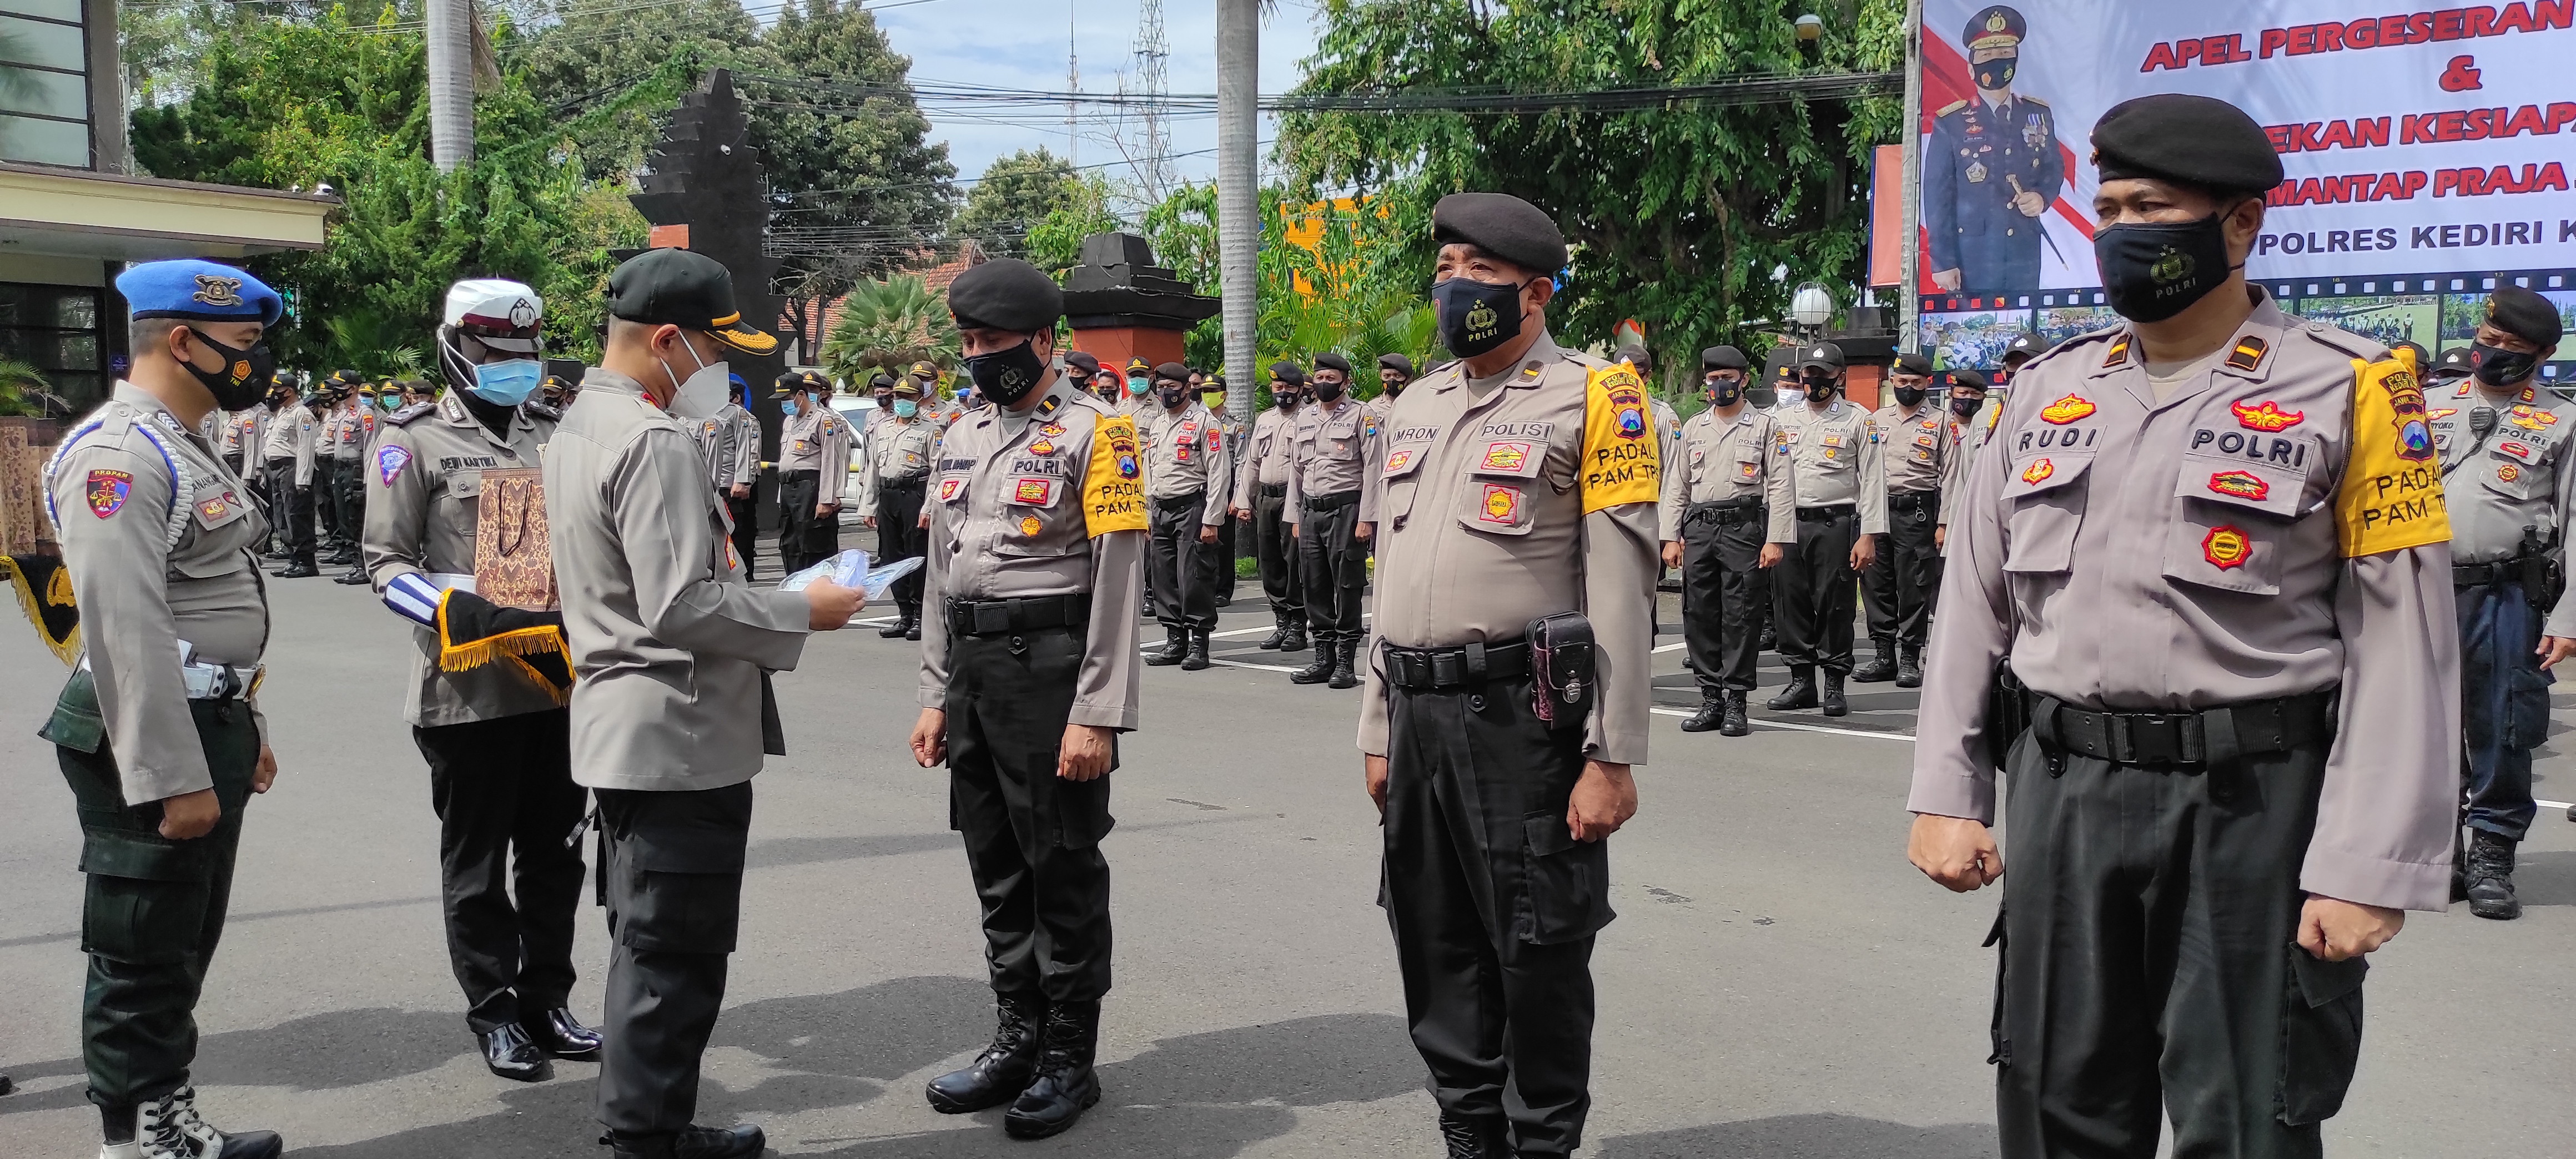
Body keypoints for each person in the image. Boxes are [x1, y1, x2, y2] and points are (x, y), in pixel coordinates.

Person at [1906, 93, 2459, 1159]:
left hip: (2251, 803)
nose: (2120, 229)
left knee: (2247, 1114)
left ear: (2240, 225)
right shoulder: (2040, 390)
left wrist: (2368, 864)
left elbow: (2404, 642)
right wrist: (1946, 791)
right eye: (2107, 205)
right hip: (2063, 791)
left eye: (2150, 205)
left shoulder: (2354, 388)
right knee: (2053, 1099)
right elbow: (1973, 607)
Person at [548, 248, 864, 1159]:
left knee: (649, 943)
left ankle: (657, 1122)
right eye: (714, 346)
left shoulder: (580, 425)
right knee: (671, 955)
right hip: (673, 735)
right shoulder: (647, 441)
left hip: (628, 726)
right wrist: (803, 607)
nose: (723, 367)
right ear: (666, 340)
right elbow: (680, 603)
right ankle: (646, 1138)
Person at [1359, 193, 1653, 1159]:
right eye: (1443, 269)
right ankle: (1469, 1136)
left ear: (1532, 291)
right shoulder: (1414, 403)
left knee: (1537, 954)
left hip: (1522, 720)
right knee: (1436, 946)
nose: (1452, 287)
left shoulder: (1597, 395)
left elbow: (1620, 585)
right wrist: (1376, 723)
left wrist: (1611, 752)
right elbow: (1389, 578)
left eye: (1474, 273)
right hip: (1418, 718)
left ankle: (1540, 1144)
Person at [46, 259, 289, 1159]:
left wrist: (246, 722)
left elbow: (206, 601)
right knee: (143, 945)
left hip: (202, 717)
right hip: (146, 733)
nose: (257, 364)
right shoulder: (120, 455)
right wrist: (170, 774)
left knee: (181, 939)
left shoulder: (179, 443)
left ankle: (166, 1112)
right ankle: (138, 1139)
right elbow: (123, 627)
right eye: (246, 346)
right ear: (184, 341)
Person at [906, 258, 1147, 1141]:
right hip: (974, 668)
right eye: (967, 342)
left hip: (1051, 667)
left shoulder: (1101, 431)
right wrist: (935, 693)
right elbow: (941, 574)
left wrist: (1099, 712)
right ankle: (1017, 1035)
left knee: (1062, 863)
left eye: (993, 342)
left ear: (1045, 340)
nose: (978, 357)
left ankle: (1067, 1058)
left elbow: (1120, 581)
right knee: (996, 863)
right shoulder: (959, 432)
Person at [361, 278, 600, 1082]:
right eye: (497, 354)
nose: (515, 368)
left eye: (526, 355)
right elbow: (384, 563)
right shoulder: (412, 441)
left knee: (557, 855)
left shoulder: (555, 432)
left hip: (557, 682)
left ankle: (547, 1000)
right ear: (457, 349)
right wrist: (454, 608)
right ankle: (495, 1009)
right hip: (468, 690)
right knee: (478, 863)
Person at [2431, 286, 2568, 920]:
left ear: (2541, 354)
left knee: (2503, 727)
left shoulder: (2562, 420)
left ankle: (2490, 856)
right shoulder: (2427, 407)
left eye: (2510, 349)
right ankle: (2441, 857)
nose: (2492, 355)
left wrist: (2567, 621)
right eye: (2486, 343)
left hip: (2507, 595)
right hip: (2420, 592)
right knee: (2420, 733)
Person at [1662, 346, 1793, 735]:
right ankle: (1710, 700)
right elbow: (1677, 486)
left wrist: (1777, 540)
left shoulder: (1766, 427)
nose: (1719, 385)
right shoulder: (1694, 428)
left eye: (1727, 378)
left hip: (1742, 527)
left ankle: (1736, 701)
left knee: (1740, 615)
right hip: (1701, 528)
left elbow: (1783, 486)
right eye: (1713, 379)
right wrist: (1670, 536)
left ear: (1744, 380)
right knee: (1699, 614)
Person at [1768, 341, 1885, 716]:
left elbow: (1873, 482)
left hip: (1835, 523)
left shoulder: (1858, 420)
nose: (1813, 381)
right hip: (1788, 524)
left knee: (1834, 605)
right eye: (1808, 374)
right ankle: (1802, 681)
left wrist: (1868, 535)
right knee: (1791, 604)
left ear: (1840, 377)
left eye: (1822, 375)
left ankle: (1834, 683)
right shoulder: (1782, 421)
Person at [1924, 4, 2062, 294]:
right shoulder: (1951, 122)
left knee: (2025, 331)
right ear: (1971, 66)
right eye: (1986, 55)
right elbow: (1938, 198)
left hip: (2024, 252)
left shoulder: (2037, 114)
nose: (1996, 62)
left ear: (2016, 59)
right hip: (1973, 257)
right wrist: (1943, 262)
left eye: (2004, 54)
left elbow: (2053, 167)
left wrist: (2041, 196)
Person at [1858, 351, 1949, 687]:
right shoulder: (1875, 420)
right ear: (1891, 383)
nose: (1907, 388)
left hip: (1918, 512)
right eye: (1901, 382)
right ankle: (1884, 656)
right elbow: (1862, 471)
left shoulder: (1942, 422)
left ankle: (1910, 658)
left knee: (1913, 585)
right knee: (1876, 583)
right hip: (1877, 511)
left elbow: (1951, 475)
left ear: (1928, 384)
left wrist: (1944, 523)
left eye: (1915, 383)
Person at [1140, 361, 1232, 670]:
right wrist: (1148, 514)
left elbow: (1219, 473)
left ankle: (1199, 644)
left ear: (1186, 389)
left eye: (1172, 388)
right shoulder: (1157, 424)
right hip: (1161, 508)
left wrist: (1212, 520)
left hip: (1192, 507)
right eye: (1161, 387)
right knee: (1164, 576)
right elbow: (1149, 470)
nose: (1166, 393)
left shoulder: (1206, 423)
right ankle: (1174, 639)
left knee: (1193, 576)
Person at [1287, 352, 1370, 688]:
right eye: (1319, 378)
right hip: (1310, 512)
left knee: (1346, 584)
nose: (1324, 384)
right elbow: (1297, 471)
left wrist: (1368, 518)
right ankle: (1323, 658)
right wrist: (1294, 515)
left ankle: (1346, 663)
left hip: (1346, 511)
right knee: (1314, 584)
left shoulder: (1362, 416)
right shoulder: (1304, 417)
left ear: (1345, 382)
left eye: (1331, 379)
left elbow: (1375, 468)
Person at [857, 374, 938, 639]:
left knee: (916, 557)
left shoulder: (930, 429)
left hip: (914, 494)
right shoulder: (883, 427)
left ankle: (920, 616)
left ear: (920, 399)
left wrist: (928, 507)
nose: (902, 402)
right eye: (899, 397)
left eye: (909, 397)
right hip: (888, 495)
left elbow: (938, 471)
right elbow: (872, 468)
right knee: (892, 558)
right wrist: (868, 506)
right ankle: (904, 614)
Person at [1235, 366, 1309, 652]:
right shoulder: (1265, 420)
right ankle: (1281, 623)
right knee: (1270, 563)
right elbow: (1252, 464)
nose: (1283, 393)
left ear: (1300, 389)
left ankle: (1297, 626)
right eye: (1278, 388)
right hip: (1266, 499)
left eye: (1289, 388)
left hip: (1294, 500)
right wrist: (1244, 501)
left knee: (1294, 563)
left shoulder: (1309, 418)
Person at [772, 369, 848, 575]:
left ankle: (817, 593)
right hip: (789, 488)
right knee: (790, 544)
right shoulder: (790, 421)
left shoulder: (823, 420)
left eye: (787, 398)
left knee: (813, 545)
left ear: (801, 395)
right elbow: (787, 459)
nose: (784, 403)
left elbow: (831, 459)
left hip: (810, 487)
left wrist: (826, 499)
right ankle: (794, 588)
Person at [263, 389, 325, 578]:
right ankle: (293, 558)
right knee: (281, 514)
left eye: (278, 390)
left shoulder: (302, 414)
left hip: (292, 467)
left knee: (296, 514)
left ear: (289, 391)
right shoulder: (282, 413)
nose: (274, 395)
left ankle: (306, 562)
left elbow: (306, 447)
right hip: (276, 468)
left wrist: (303, 478)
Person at [1933, 367, 1993, 553]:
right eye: (1963, 393)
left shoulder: (1990, 428)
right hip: (1938, 504)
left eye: (1975, 394)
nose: (1968, 398)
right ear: (1951, 395)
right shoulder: (1938, 426)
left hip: (1974, 503)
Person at [713, 375, 763, 583]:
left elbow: (749, 451)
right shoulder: (710, 415)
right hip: (718, 482)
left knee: (740, 529)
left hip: (735, 481)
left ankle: (744, 572)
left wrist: (745, 480)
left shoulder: (742, 417)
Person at [1204, 375, 1245, 606]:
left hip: (1227, 485)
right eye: (1205, 390)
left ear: (1224, 394)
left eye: (1213, 390)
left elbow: (1241, 461)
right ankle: (1205, 585)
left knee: (1224, 540)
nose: (1208, 394)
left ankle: (1223, 589)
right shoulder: (1197, 420)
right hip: (1204, 485)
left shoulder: (1234, 425)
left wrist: (1238, 495)